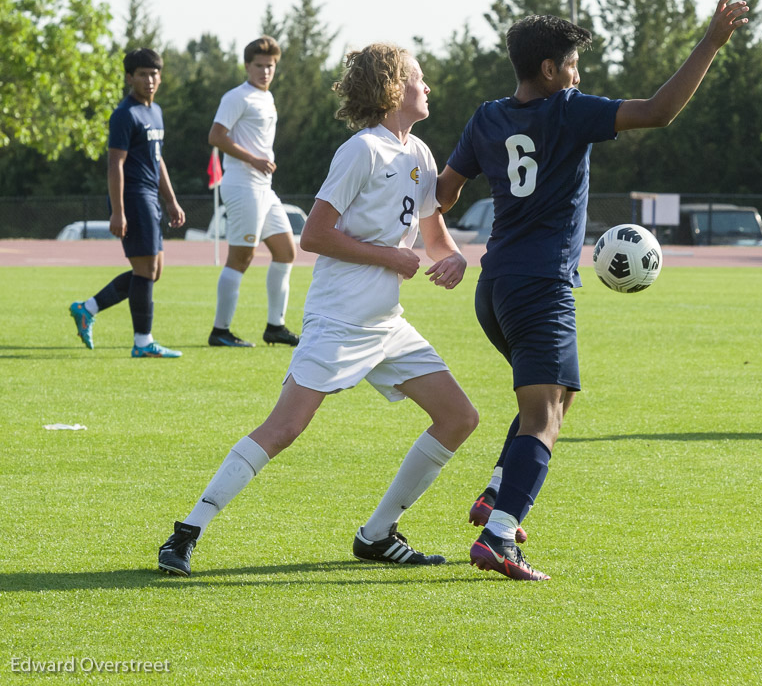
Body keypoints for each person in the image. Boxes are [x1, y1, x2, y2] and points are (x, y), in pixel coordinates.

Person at [437, 0, 750, 580]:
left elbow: (447, 190)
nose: (579, 74)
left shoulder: (486, 117)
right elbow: (658, 111)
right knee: (544, 416)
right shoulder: (568, 109)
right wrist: (711, 42)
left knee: (557, 397)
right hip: (540, 285)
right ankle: (499, 537)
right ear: (550, 70)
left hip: (496, 283)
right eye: (574, 64)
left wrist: (441, 238)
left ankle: (497, 491)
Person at [157, 43, 477, 576]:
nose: (428, 88)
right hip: (338, 319)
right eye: (419, 79)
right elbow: (313, 235)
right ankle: (186, 532)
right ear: (394, 87)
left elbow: (434, 236)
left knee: (458, 417)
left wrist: (456, 259)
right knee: (283, 429)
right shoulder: (362, 150)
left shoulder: (419, 155)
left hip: (385, 323)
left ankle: (376, 535)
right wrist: (389, 257)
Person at [69, 48, 186, 358]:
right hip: (133, 197)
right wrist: (118, 211)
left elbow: (157, 160)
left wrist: (171, 201)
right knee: (146, 270)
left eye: (154, 74)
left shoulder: (156, 111)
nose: (150, 80)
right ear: (129, 77)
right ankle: (143, 342)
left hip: (151, 196)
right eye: (143, 74)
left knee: (152, 270)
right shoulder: (125, 114)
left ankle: (87, 308)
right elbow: (115, 165)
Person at [207, 35, 299, 348]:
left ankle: (276, 326)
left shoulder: (267, 97)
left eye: (269, 66)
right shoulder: (237, 97)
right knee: (241, 257)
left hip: (264, 187)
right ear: (247, 66)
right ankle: (220, 331)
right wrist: (253, 159)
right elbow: (216, 136)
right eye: (258, 66)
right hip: (242, 183)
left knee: (287, 252)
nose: (264, 71)